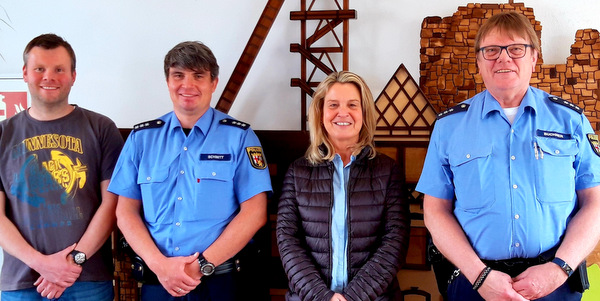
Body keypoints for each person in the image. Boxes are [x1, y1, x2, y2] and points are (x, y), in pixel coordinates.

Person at [416, 11, 600, 301]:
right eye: (491, 51)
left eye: (516, 49)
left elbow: (595, 205)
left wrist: (558, 269)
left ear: (534, 58)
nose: (503, 58)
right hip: (474, 282)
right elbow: (436, 211)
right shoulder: (448, 127)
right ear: (478, 62)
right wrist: (479, 276)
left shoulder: (571, 122)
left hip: (555, 283)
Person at [108, 41, 272, 301]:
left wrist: (201, 266)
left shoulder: (240, 137)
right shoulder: (141, 139)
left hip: (218, 282)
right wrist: (159, 265)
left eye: (198, 76)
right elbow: (125, 212)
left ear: (213, 83)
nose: (188, 85)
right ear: (167, 81)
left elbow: (255, 213)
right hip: (156, 282)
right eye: (178, 75)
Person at [0, 33, 123, 300]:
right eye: (40, 69)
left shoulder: (102, 129)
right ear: (25, 73)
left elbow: (112, 205)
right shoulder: (2, 135)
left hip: (87, 278)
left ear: (73, 75)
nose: (49, 77)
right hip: (22, 282)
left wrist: (74, 261)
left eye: (59, 69)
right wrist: (41, 263)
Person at [276, 71, 410, 301]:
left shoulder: (388, 171)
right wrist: (322, 296)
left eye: (352, 105)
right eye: (333, 104)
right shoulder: (297, 172)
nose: (343, 112)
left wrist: (353, 297)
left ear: (364, 113)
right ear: (320, 114)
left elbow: (395, 242)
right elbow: (288, 242)